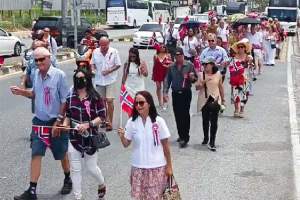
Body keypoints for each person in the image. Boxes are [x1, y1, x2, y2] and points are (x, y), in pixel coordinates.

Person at [10, 47, 72, 200]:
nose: (38, 63)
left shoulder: (59, 76)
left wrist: (59, 121)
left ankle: (68, 178)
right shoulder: (36, 74)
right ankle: (32, 190)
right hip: (39, 121)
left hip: (55, 121)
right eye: (36, 60)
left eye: (41, 59)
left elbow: (65, 100)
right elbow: (34, 94)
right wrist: (21, 91)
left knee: (61, 153)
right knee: (36, 153)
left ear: (49, 58)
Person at [117, 91, 173, 199]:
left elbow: (166, 147)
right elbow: (126, 144)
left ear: (149, 104)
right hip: (138, 168)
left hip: (156, 168)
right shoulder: (131, 122)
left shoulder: (159, 121)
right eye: (136, 103)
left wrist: (169, 166)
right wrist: (122, 136)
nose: (138, 106)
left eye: (141, 103)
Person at [63, 69, 107, 200]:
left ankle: (101, 183)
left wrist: (88, 125)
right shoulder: (70, 96)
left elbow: (102, 116)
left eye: (82, 78)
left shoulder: (95, 97)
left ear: (87, 79)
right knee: (75, 169)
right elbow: (68, 115)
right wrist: (65, 123)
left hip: (90, 138)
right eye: (77, 78)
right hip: (74, 138)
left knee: (91, 168)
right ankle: (78, 197)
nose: (79, 81)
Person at [163, 47, 197, 148]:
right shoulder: (171, 67)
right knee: (177, 114)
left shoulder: (189, 65)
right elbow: (167, 80)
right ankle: (181, 134)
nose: (178, 58)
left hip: (186, 92)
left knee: (185, 114)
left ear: (183, 55)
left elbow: (195, 79)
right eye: (176, 56)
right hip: (175, 93)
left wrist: (192, 78)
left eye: (180, 56)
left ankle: (185, 137)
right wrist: (165, 93)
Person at [91, 37, 122, 131]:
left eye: (105, 45)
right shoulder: (95, 51)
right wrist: (92, 69)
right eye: (101, 45)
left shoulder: (114, 52)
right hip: (99, 80)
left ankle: (110, 122)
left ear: (108, 44)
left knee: (109, 100)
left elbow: (118, 64)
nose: (103, 47)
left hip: (110, 79)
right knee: (101, 101)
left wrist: (109, 70)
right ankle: (103, 119)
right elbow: (92, 63)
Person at [195, 56, 224, 151]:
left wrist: (223, 100)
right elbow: (197, 87)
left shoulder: (218, 74)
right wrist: (203, 82)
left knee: (214, 122)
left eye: (206, 64)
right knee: (205, 120)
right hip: (204, 100)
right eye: (203, 64)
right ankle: (206, 137)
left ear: (212, 65)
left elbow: (220, 87)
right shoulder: (200, 74)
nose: (204, 66)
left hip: (215, 99)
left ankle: (212, 141)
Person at [230, 39, 254, 118]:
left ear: (245, 48)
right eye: (239, 47)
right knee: (236, 94)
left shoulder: (248, 56)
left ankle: (242, 110)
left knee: (245, 94)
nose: (240, 48)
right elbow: (231, 68)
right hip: (235, 77)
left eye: (242, 47)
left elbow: (252, 66)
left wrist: (249, 62)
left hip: (245, 78)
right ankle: (236, 109)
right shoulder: (234, 58)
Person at [152, 45, 172, 109]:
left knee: (165, 87)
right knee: (158, 87)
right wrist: (153, 74)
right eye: (161, 47)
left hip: (166, 73)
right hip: (157, 73)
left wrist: (168, 66)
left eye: (164, 47)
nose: (162, 48)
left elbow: (171, 64)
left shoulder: (168, 55)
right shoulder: (155, 56)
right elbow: (154, 65)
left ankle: (164, 102)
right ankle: (160, 102)